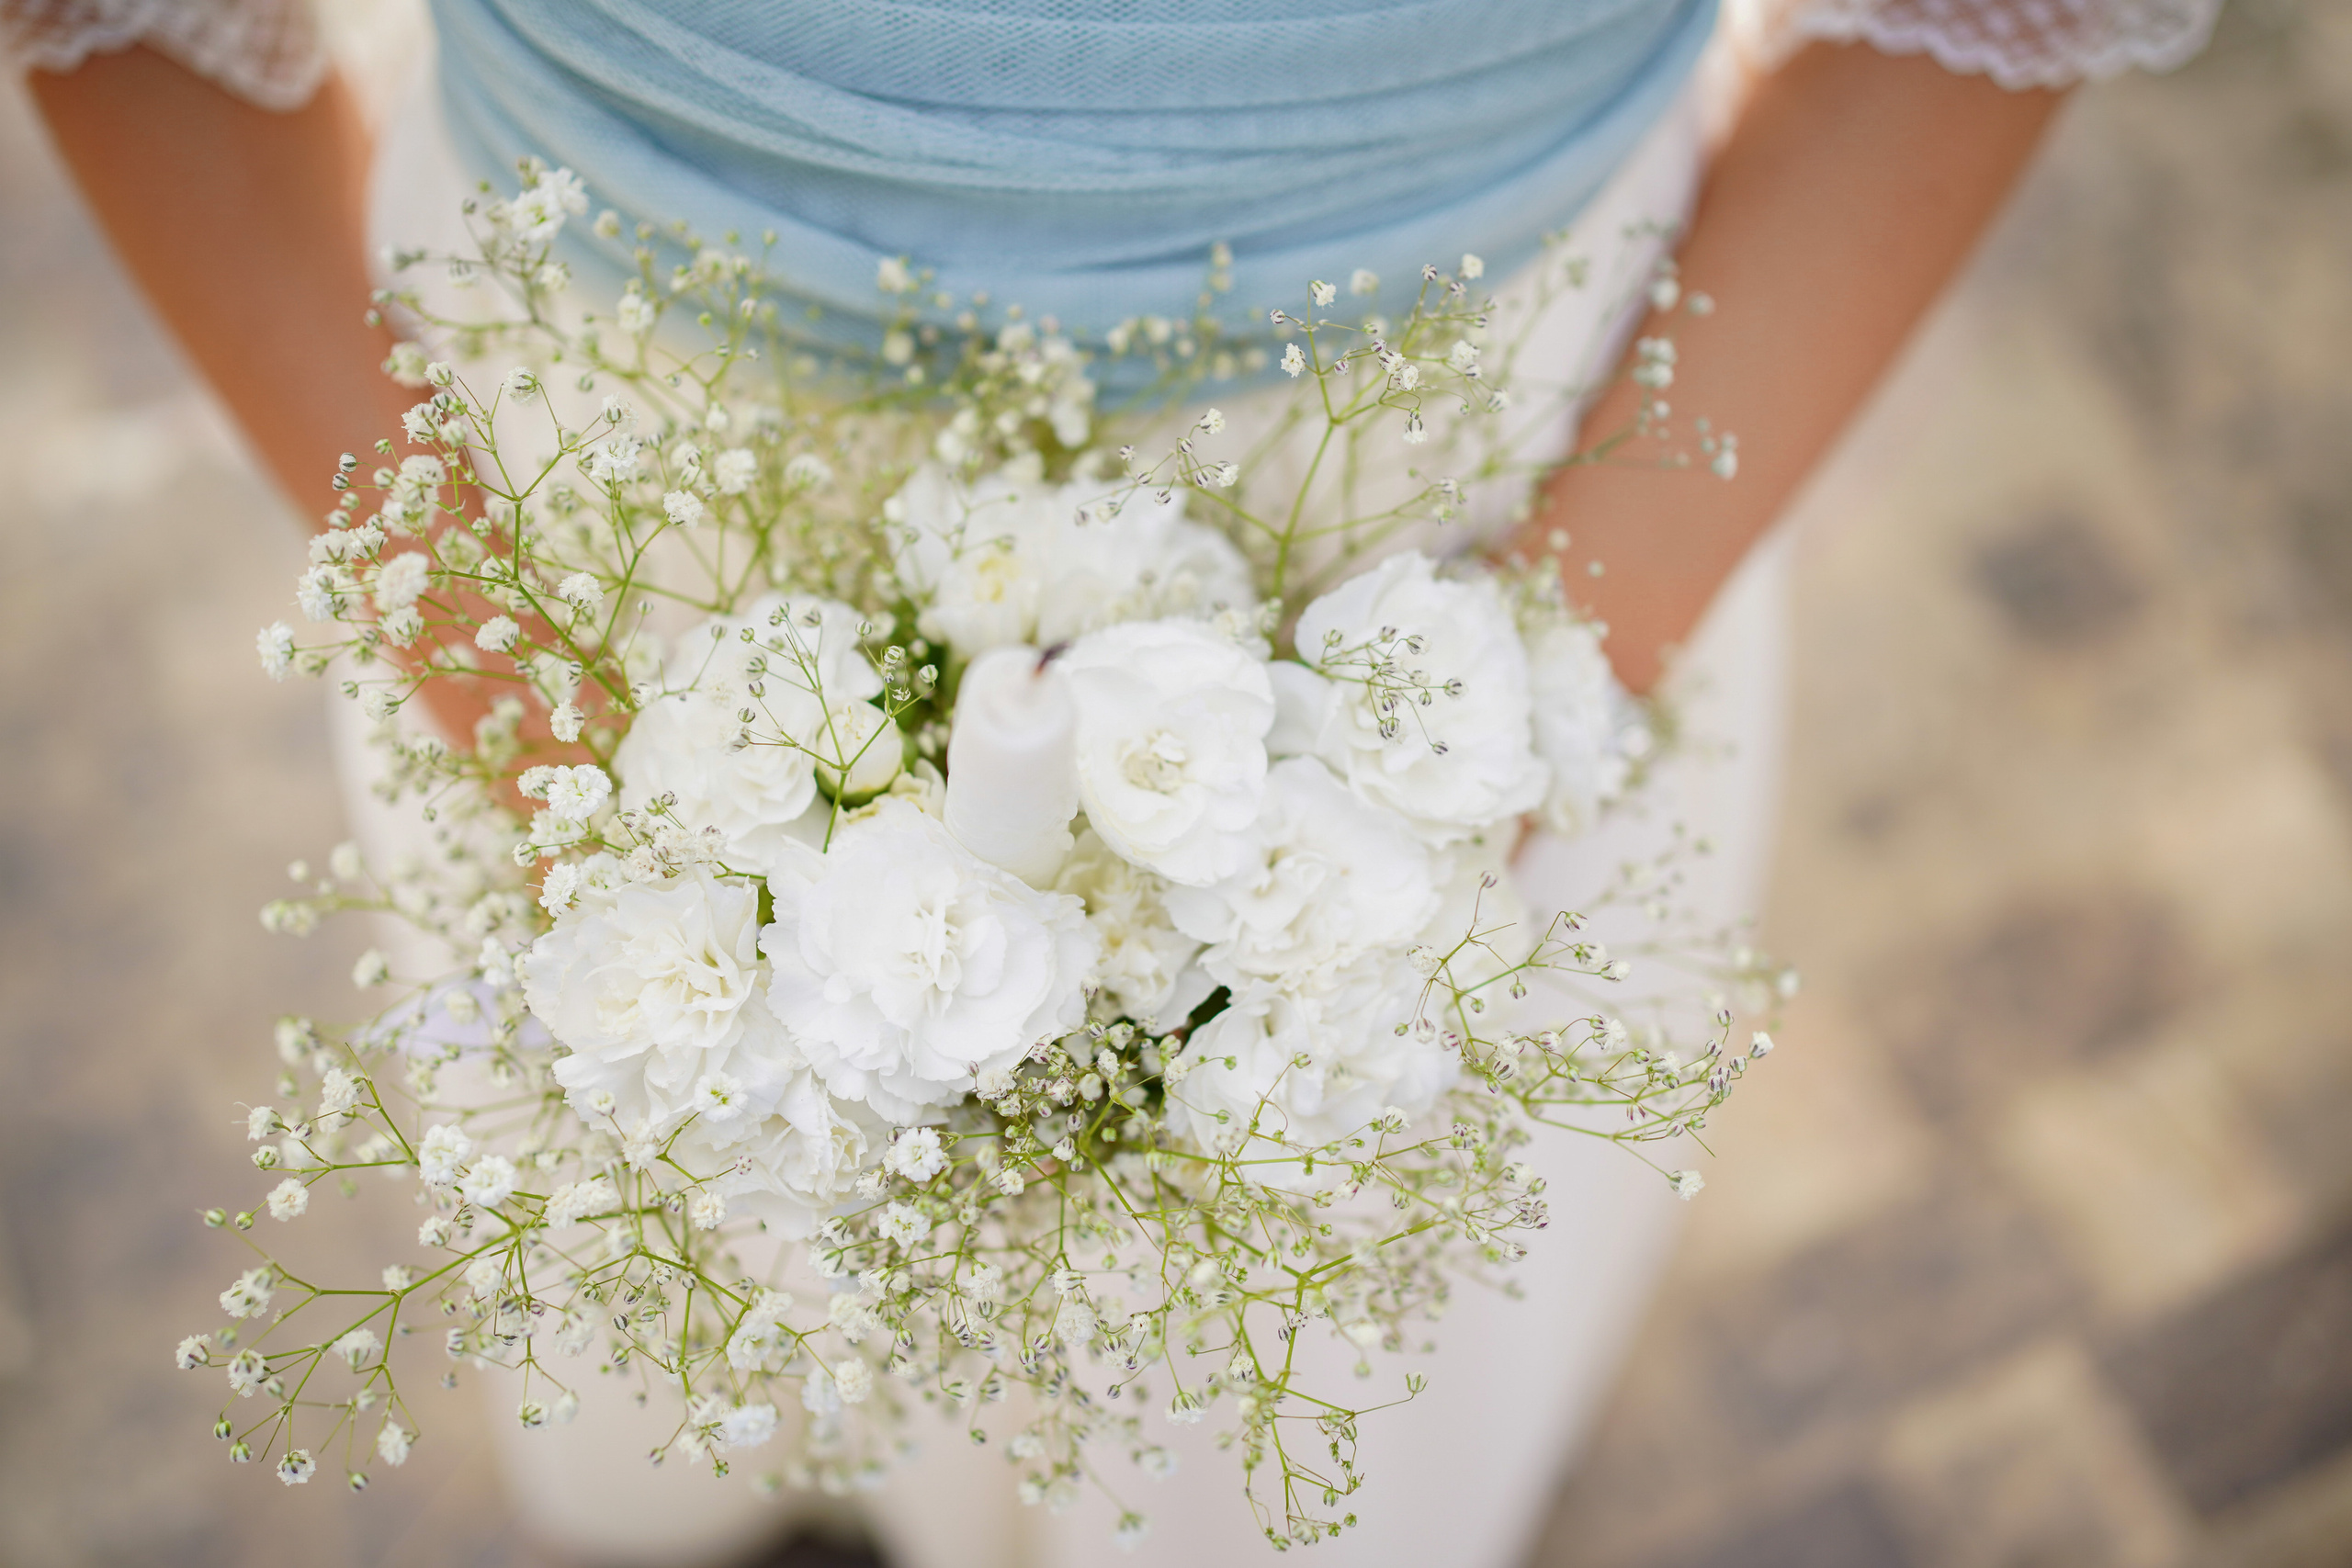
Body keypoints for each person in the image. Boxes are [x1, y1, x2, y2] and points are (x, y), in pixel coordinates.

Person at [7, 2, 2218, 1565]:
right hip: (603, 522)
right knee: (711, 1239)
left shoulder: (1472, 691)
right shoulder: (566, 686)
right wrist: (542, 719)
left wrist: (1495, 710)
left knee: (1297, 1368)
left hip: (1466, 526)